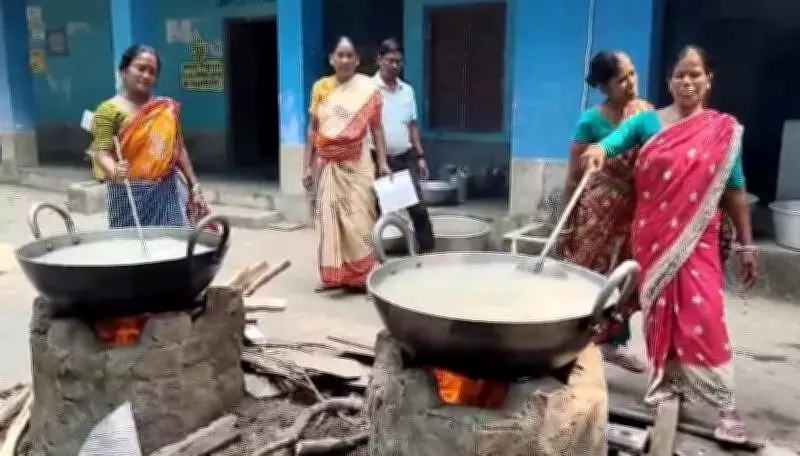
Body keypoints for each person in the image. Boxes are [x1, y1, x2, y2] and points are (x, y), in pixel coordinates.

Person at [582, 45, 756, 444]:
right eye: (680, 75)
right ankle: (668, 382)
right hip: (654, 236)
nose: (687, 82)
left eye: (696, 74)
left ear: (709, 79)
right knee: (661, 314)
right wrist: (598, 150)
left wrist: (748, 245)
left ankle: (725, 405)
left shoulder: (723, 130)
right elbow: (614, 141)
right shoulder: (647, 122)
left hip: (700, 239)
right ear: (669, 81)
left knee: (706, 314)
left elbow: (735, 188)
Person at [562, 51, 652, 373]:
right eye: (621, 79)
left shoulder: (644, 114)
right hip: (596, 210)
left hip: (633, 211)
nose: (631, 83)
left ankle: (613, 346)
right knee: (587, 275)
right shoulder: (591, 120)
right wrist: (566, 223)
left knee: (624, 278)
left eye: (633, 74)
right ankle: (571, 350)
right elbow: (574, 176)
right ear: (604, 86)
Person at [303, 37, 391, 291]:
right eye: (339, 55)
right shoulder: (321, 88)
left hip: (358, 164)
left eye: (349, 55)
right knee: (329, 220)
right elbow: (313, 129)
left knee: (360, 220)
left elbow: (376, 130)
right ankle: (335, 277)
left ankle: (364, 276)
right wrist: (306, 166)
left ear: (357, 60)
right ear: (331, 58)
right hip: (328, 165)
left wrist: (383, 162)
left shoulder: (368, 90)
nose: (344, 60)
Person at [89, 44, 206, 228]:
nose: (146, 75)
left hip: (167, 193)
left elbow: (178, 148)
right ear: (125, 70)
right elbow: (101, 152)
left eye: (152, 72)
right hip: (127, 195)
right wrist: (114, 171)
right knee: (131, 250)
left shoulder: (165, 110)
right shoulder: (108, 110)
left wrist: (194, 187)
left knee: (170, 247)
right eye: (140, 68)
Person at [370, 38, 435, 252]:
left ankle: (427, 253)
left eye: (399, 61)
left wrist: (421, 155)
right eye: (390, 60)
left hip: (405, 157)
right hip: (376, 159)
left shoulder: (407, 91)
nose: (395, 66)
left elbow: (412, 125)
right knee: (377, 210)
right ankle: (373, 258)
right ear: (379, 60)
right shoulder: (369, 89)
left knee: (417, 208)